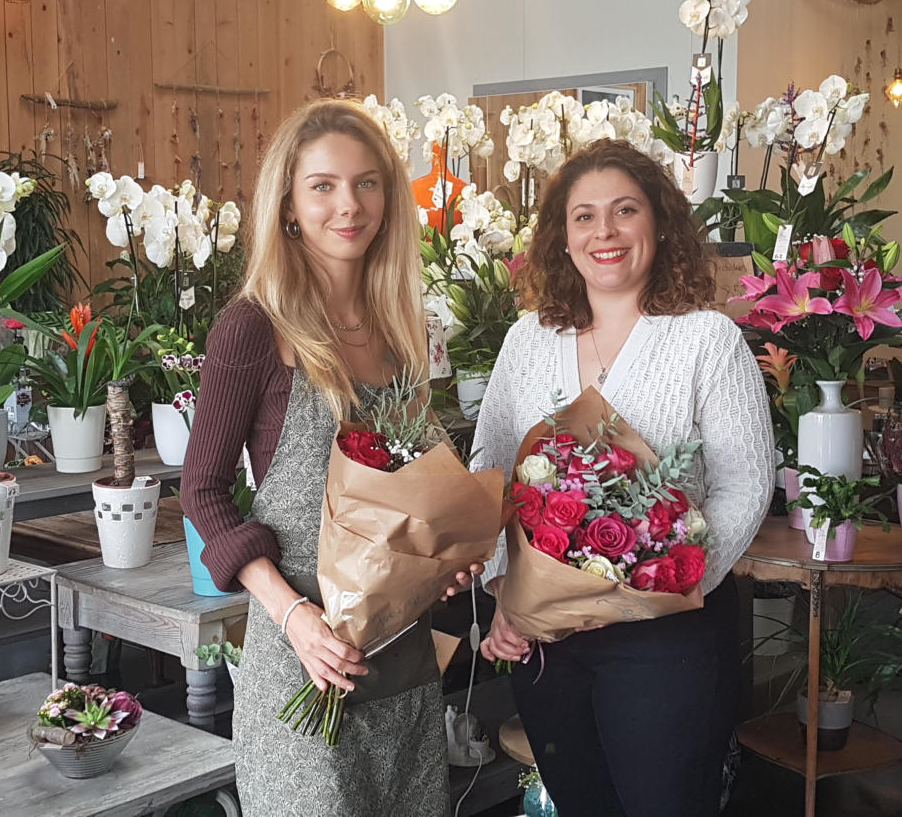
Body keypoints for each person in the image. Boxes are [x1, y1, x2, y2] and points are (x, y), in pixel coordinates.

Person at [471, 139, 774, 817]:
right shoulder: (527, 340)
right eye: (583, 216)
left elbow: (746, 485)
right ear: (561, 237)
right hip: (547, 640)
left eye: (624, 210)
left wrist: (670, 577)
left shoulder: (705, 340)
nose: (603, 232)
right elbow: (488, 468)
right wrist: (504, 590)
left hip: (664, 639)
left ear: (659, 225)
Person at [181, 99, 453, 816]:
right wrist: (296, 617)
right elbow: (203, 492)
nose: (349, 205)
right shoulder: (251, 329)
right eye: (324, 186)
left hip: (401, 662)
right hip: (300, 657)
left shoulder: (400, 331)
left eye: (367, 183)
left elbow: (415, 488)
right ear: (290, 205)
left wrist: (443, 560)